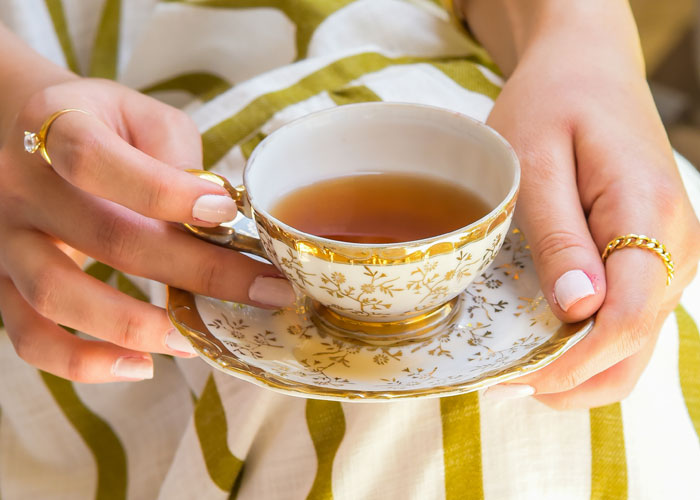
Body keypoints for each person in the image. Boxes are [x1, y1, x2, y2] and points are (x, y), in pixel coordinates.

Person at [0, 0, 698, 498]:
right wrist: (13, 107)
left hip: (452, 58)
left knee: (625, 343)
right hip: (68, 135)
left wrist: (586, 44)